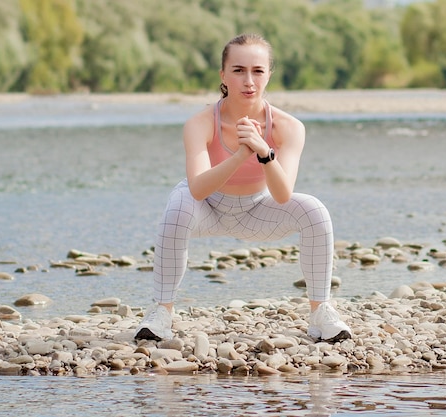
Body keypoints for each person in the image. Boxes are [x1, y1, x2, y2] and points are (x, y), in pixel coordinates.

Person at [134, 33, 353, 343]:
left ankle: (321, 312)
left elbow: (282, 194)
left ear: (269, 75)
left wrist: (264, 152)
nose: (248, 80)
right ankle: (162, 313)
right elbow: (197, 189)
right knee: (178, 205)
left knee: (315, 211)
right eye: (238, 70)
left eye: (257, 71)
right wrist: (240, 154)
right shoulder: (200, 123)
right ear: (223, 75)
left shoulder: (288, 127)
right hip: (206, 208)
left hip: (257, 209)